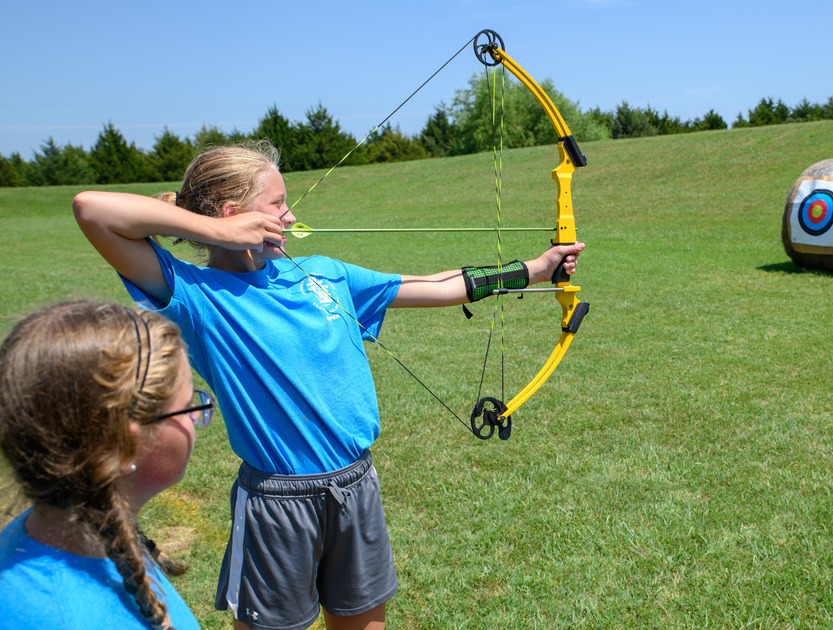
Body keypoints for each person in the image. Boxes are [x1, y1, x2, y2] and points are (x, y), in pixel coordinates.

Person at [72, 140, 584, 630]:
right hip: (277, 502)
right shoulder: (195, 295)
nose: (290, 217)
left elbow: (435, 286)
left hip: (357, 486)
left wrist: (533, 271)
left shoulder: (323, 273)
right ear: (235, 215)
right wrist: (220, 235)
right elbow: (92, 209)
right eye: (278, 205)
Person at [0, 301, 208, 630]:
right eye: (187, 407)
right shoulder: (66, 616)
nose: (197, 418)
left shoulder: (72, 533)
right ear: (122, 447)